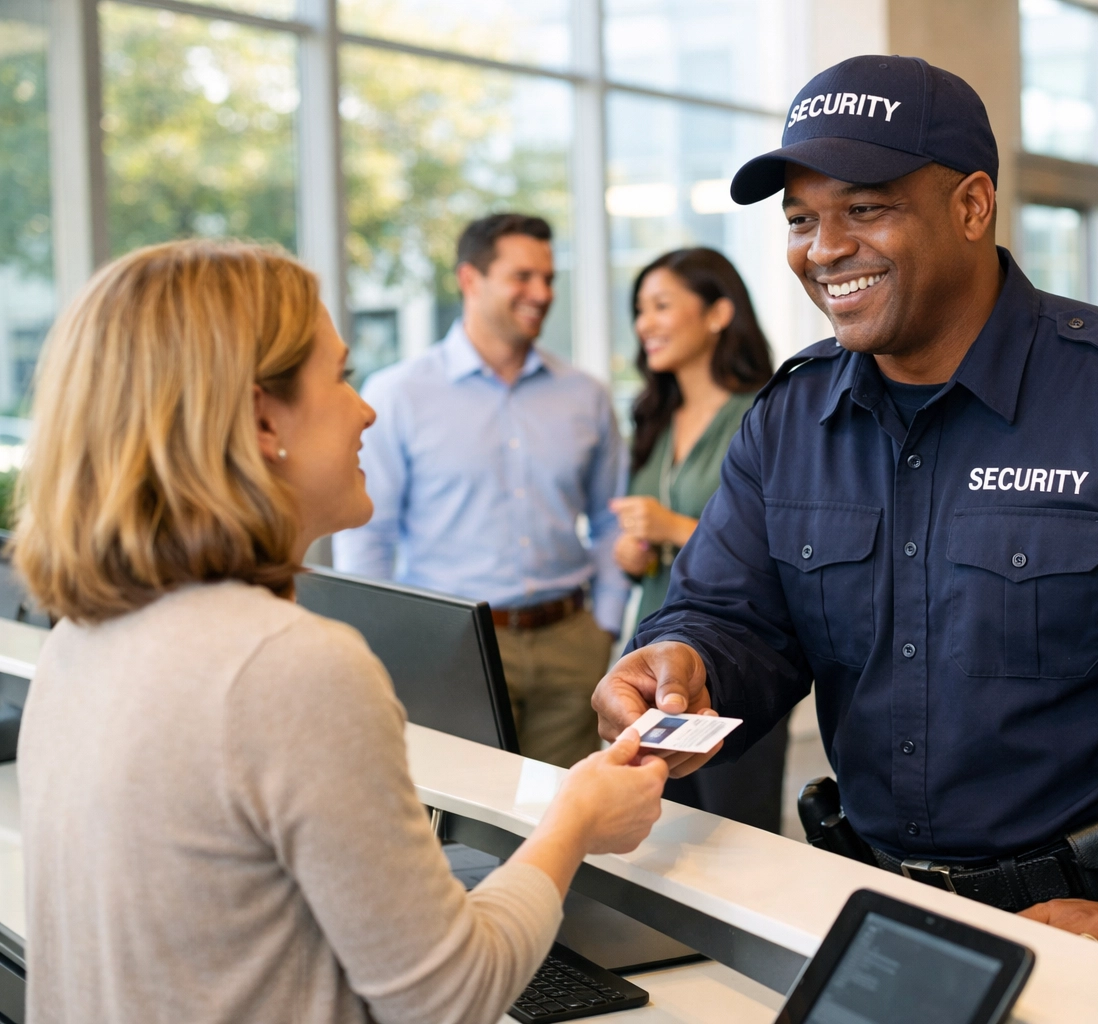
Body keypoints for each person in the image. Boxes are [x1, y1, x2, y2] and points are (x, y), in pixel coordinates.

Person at [592, 55, 1098, 970]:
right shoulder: (791, 421)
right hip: (882, 919)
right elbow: (734, 619)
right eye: (801, 218)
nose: (823, 247)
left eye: (864, 209)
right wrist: (684, 665)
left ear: (971, 205)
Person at [12, 240, 670, 1024]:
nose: (366, 408)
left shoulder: (80, 638)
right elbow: (450, 995)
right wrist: (577, 820)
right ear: (262, 418)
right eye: (340, 376)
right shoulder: (289, 669)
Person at [335, 213, 627, 768]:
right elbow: (369, 534)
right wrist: (385, 647)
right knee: (463, 828)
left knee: (563, 815)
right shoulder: (400, 394)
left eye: (548, 278)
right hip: (451, 647)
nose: (541, 293)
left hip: (571, 642)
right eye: (522, 277)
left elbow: (611, 517)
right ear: (470, 279)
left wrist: (605, 622)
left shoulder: (584, 395)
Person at [609, 247, 788, 833]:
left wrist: (672, 529)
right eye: (639, 310)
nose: (644, 324)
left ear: (717, 314)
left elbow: (777, 551)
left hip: (736, 656)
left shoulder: (762, 418)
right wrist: (632, 553)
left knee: (734, 831)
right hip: (654, 647)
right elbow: (644, 545)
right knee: (660, 830)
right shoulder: (654, 416)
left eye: (662, 305)